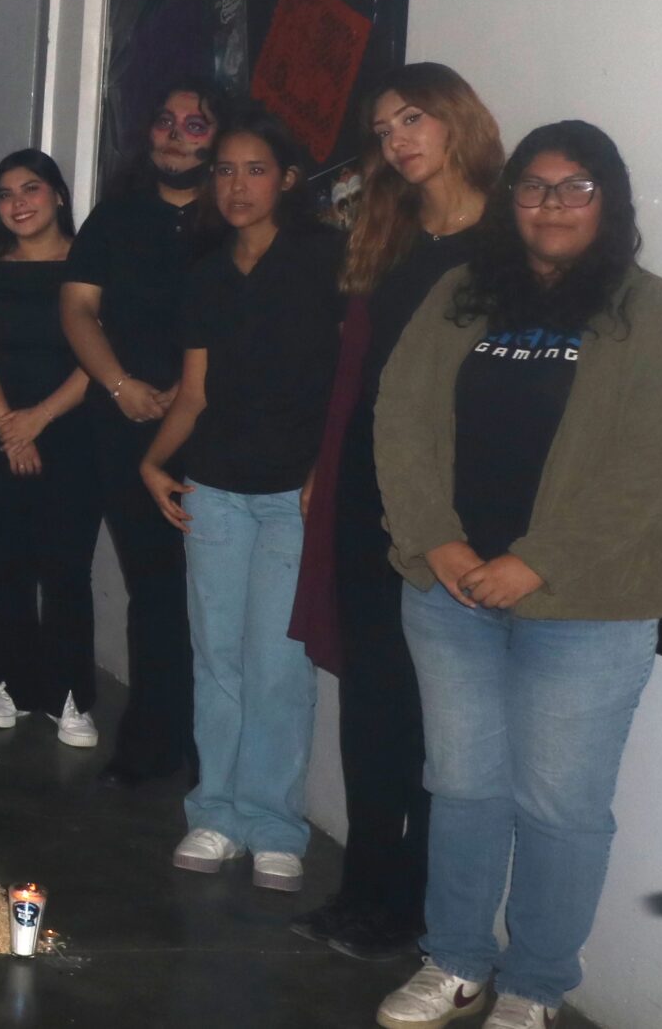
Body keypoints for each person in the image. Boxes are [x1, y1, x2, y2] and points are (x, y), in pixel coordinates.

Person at [372, 122, 662, 1029]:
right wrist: (437, 541)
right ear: (510, 199)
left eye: (576, 187)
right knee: (465, 786)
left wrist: (537, 562)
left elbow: (653, 464)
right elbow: (399, 422)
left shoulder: (657, 315)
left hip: (588, 609)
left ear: (610, 202)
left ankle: (534, 984)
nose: (551, 204)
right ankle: (456, 961)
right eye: (533, 187)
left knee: (560, 807)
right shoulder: (460, 295)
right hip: (451, 594)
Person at [288, 66, 503, 961]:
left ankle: (414, 905)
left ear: (457, 119)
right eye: (384, 129)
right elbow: (356, 376)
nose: (397, 139)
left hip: (455, 508)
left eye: (413, 118)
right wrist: (323, 470)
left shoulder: (506, 242)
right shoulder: (396, 231)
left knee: (434, 719)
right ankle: (367, 893)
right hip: (367, 491)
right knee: (374, 704)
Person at [137, 110, 343, 893]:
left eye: (255, 169)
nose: (237, 186)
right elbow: (193, 393)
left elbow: (348, 387)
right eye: (224, 170)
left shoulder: (328, 262)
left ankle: (274, 824)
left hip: (294, 493)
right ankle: (215, 814)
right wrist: (154, 464)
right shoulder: (205, 275)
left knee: (280, 665)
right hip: (216, 490)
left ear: (287, 179)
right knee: (218, 659)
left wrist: (327, 471)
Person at [60, 80, 218, 788]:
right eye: (163, 120)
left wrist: (188, 398)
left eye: (195, 123)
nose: (175, 134)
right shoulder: (116, 218)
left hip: (220, 430)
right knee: (153, 590)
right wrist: (121, 386)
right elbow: (77, 309)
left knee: (217, 599)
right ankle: (152, 745)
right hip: (124, 423)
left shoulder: (236, 219)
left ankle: (214, 755)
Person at [0, 150, 99, 746]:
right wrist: (10, 426)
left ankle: (71, 696)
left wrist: (38, 419)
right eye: (6, 194)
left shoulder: (92, 266)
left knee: (66, 568)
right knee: (8, 564)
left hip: (75, 431)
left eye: (31, 189)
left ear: (59, 195)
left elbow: (102, 359)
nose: (18, 203)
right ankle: (10, 683)